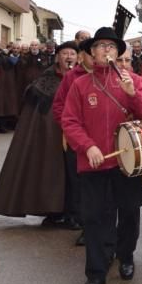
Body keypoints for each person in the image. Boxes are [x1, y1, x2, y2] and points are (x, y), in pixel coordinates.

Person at [61, 27, 142, 284]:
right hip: (94, 163)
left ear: (118, 52)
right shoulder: (80, 85)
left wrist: (132, 94)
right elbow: (69, 121)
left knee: (129, 213)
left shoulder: (134, 81)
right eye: (100, 46)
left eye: (111, 47)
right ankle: (96, 269)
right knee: (94, 217)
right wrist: (87, 146)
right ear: (91, 53)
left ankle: (126, 256)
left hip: (128, 161)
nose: (106, 50)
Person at [0, 41, 79, 222]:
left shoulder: (82, 79)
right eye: (64, 54)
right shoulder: (45, 79)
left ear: (78, 58)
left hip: (76, 136)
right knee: (51, 173)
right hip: (51, 136)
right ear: (57, 57)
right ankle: (54, 211)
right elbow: (35, 106)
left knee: (75, 176)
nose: (68, 57)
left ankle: (74, 213)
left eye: (72, 54)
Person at [52, 30, 92, 241]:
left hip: (99, 139)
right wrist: (69, 129)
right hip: (75, 137)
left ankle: (91, 226)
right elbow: (59, 107)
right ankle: (77, 217)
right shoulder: (71, 77)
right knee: (76, 180)